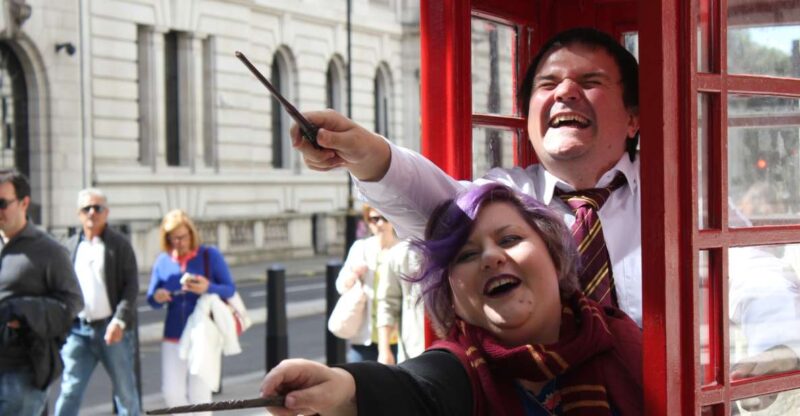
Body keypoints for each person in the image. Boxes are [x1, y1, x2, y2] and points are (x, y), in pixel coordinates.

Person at [288, 27, 800, 388]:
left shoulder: (687, 201)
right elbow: (434, 202)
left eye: (591, 82)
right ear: (530, 116)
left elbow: (756, 275)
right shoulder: (503, 195)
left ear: (634, 118)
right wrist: (364, 151)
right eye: (547, 85)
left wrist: (779, 346)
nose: (565, 93)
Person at [261, 183, 643, 416]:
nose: (492, 257)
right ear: (453, 296)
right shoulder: (457, 369)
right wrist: (343, 389)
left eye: (509, 239)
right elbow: (413, 390)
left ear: (554, 255)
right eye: (465, 255)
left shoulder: (623, 341)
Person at [0, 169, 84, 415]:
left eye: (2, 203)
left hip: (22, 374)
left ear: (24, 203)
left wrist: (24, 311)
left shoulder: (48, 250)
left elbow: (73, 303)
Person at [55, 188, 141, 416]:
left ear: (107, 212)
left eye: (98, 208)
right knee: (70, 390)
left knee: (125, 392)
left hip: (112, 331)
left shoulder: (119, 246)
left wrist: (119, 322)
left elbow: (131, 287)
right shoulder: (70, 247)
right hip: (78, 332)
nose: (92, 213)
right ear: (79, 214)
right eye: (87, 208)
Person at [146, 209, 237, 414]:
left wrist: (208, 287)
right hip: (173, 335)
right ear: (167, 238)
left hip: (202, 334)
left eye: (183, 236)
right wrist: (158, 296)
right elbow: (151, 299)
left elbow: (230, 288)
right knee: (171, 392)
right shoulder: (163, 261)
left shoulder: (208, 256)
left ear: (191, 234)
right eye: (174, 238)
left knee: (200, 394)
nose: (180, 242)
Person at [335, 204, 399, 362]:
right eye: (374, 219)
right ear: (367, 221)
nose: (380, 224)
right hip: (364, 336)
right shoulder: (360, 248)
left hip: (396, 336)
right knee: (360, 383)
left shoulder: (401, 249)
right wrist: (354, 273)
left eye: (385, 218)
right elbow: (341, 285)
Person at [375, 240, 425, 364]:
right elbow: (387, 304)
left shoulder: (458, 242)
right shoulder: (399, 253)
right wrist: (384, 350)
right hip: (414, 351)